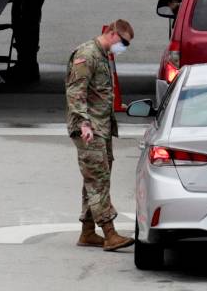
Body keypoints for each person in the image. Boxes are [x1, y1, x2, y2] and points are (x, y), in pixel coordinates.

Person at [65, 20, 135, 252]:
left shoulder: (102, 54)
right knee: (98, 180)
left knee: (95, 179)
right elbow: (76, 91)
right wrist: (84, 122)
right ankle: (109, 233)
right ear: (112, 34)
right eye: (123, 42)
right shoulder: (88, 54)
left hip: (101, 128)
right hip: (90, 130)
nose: (123, 47)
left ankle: (87, 232)